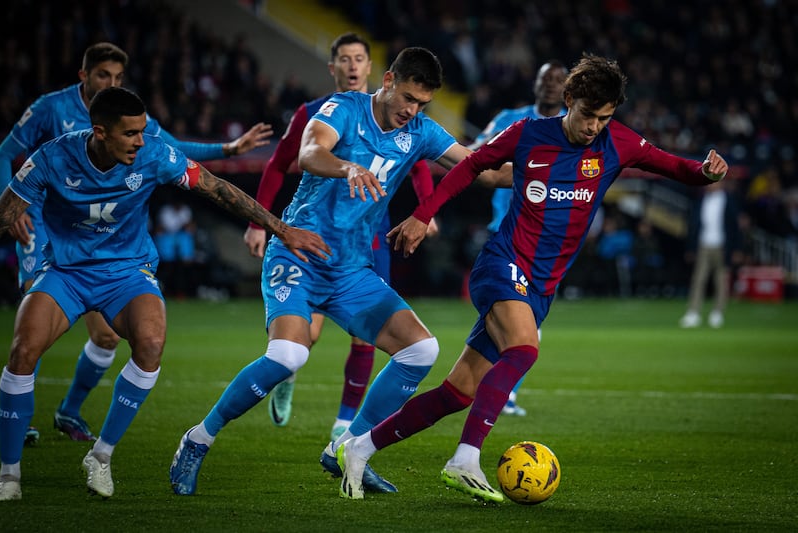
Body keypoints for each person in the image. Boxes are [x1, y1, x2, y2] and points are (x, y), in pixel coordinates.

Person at [337, 53, 729, 503]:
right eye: (587, 116)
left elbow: (674, 167)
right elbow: (470, 166)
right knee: (524, 349)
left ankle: (359, 449)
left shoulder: (617, 143)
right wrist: (422, 215)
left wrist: (704, 172)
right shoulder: (527, 134)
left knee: (457, 392)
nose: (594, 127)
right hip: (502, 266)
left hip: (541, 287)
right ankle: (464, 459)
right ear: (568, 100)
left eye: (604, 118)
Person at [169, 47, 506, 496]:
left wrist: (545, 163)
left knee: (421, 350)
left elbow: (480, 169)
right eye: (406, 97)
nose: (411, 110)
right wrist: (348, 165)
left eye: (421, 104)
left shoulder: (421, 132)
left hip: (350, 269)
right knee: (289, 356)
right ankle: (198, 438)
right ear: (387, 80)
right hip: (299, 254)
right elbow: (309, 152)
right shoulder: (343, 109)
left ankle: (346, 448)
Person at [0, 87, 328, 502]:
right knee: (23, 351)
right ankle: (9, 473)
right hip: (66, 272)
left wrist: (279, 228)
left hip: (127, 273)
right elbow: (5, 214)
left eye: (142, 131)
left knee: (152, 342)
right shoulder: (50, 157)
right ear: (100, 132)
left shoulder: (154, 154)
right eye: (131, 133)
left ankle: (101, 456)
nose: (141, 140)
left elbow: (216, 188)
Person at [0, 42, 272, 444]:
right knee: (31, 332)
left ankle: (69, 411)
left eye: (117, 77)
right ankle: (20, 423)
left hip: (108, 246)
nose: (109, 82)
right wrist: (14, 205)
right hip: (44, 226)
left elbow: (173, 147)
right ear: (84, 75)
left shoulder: (131, 122)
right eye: (102, 75)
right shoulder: (50, 110)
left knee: (107, 336)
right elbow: (7, 152)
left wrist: (226, 149)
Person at [243, 33, 436, 441]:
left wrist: (426, 210)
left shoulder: (411, 122)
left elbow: (418, 163)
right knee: (302, 340)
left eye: (358, 58)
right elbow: (282, 164)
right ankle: (287, 372)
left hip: (366, 241)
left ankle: (344, 427)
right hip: (313, 241)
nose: (351, 66)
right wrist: (260, 223)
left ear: (371, 68)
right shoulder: (318, 113)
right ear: (332, 67)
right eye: (344, 59)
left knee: (369, 336)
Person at [468, 59, 568, 416]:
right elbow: (477, 154)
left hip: (546, 238)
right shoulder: (511, 118)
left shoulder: (574, 128)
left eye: (559, 79)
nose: (552, 84)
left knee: (522, 325)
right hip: (506, 230)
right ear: (536, 84)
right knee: (519, 324)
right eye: (546, 78)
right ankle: (501, 394)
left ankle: (489, 389)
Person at [679, 178, 741, 328]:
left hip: (722, 246)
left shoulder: (729, 201)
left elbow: (735, 227)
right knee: (698, 279)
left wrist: (737, 248)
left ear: (721, 184)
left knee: (721, 280)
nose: (711, 185)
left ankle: (717, 313)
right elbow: (693, 225)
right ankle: (693, 313)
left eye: (714, 182)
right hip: (704, 245)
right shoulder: (701, 201)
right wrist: (691, 247)